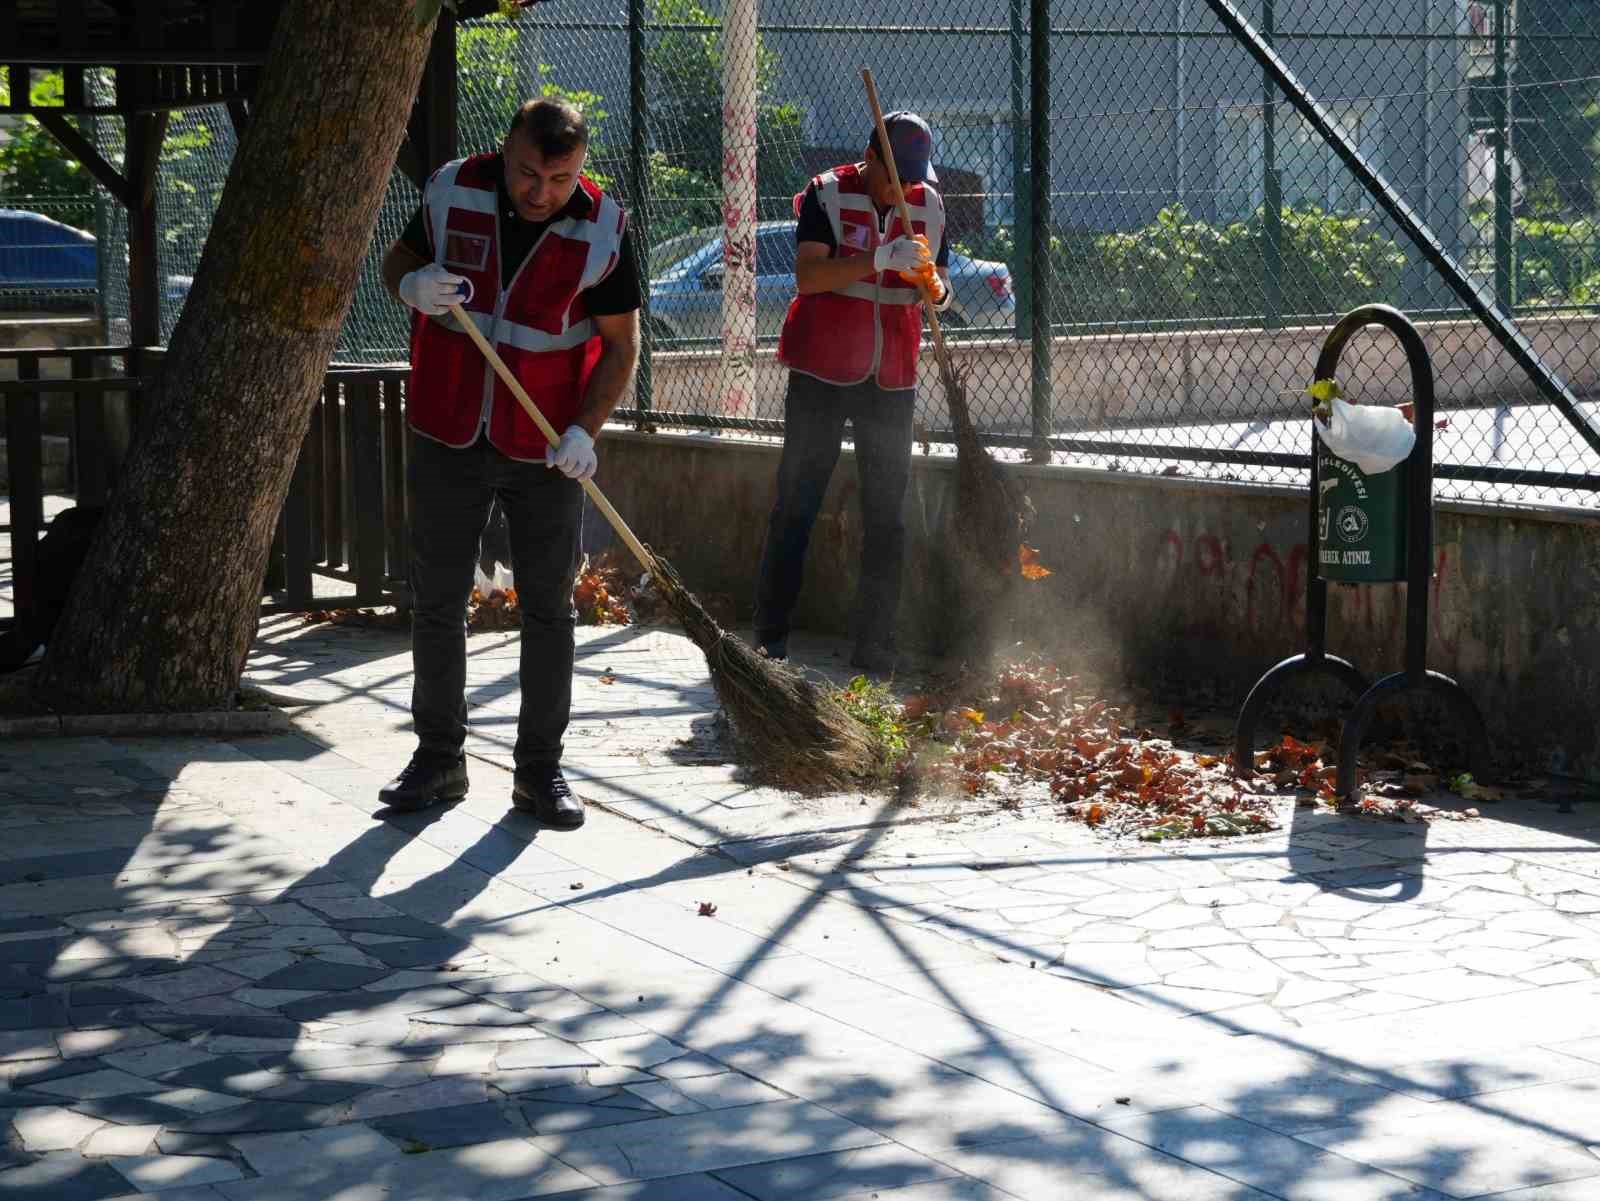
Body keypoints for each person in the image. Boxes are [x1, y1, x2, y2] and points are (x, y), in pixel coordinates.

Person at [377, 97, 640, 827]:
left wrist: (586, 430)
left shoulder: (604, 228)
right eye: (528, 173)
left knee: (550, 609)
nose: (540, 193)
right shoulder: (453, 186)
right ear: (507, 149)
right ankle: (438, 760)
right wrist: (409, 284)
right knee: (436, 599)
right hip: (448, 428)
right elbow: (399, 257)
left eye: (559, 179)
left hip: (548, 448)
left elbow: (621, 346)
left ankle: (540, 772)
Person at [754, 111, 951, 675]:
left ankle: (875, 646)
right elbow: (808, 277)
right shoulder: (827, 195)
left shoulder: (928, 205)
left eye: (912, 176)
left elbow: (940, 280)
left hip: (891, 378)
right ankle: (769, 640)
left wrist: (936, 289)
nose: (903, 188)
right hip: (821, 373)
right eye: (894, 175)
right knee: (797, 504)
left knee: (887, 517)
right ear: (869, 157)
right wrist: (877, 259)